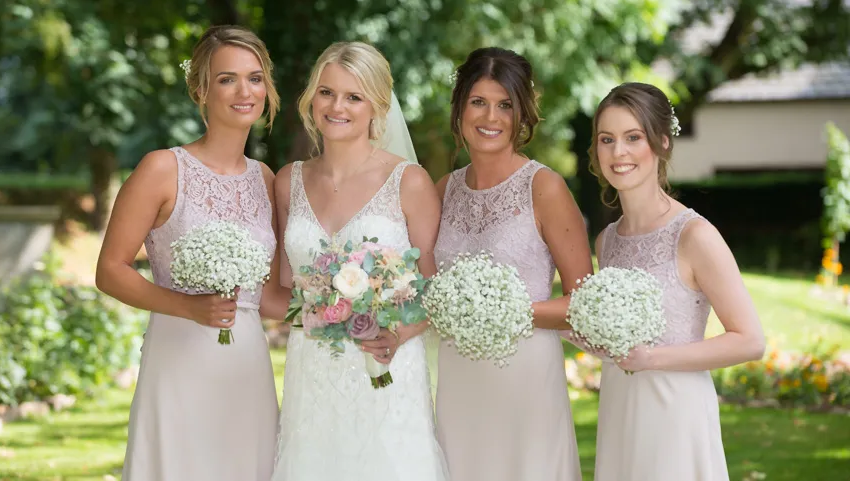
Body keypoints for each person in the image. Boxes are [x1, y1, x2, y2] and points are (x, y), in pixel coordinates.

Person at [95, 25, 281, 481]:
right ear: (200, 89)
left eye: (255, 78)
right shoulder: (162, 168)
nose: (245, 91)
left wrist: (339, 309)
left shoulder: (267, 180)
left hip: (247, 364)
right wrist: (187, 306)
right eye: (227, 79)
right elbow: (110, 270)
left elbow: (271, 295)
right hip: (179, 358)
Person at [270, 41, 448, 481]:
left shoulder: (408, 181)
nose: (337, 106)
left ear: (377, 106)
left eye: (354, 96)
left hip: (385, 363)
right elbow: (281, 291)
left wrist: (396, 332)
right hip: (312, 369)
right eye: (327, 92)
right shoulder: (288, 181)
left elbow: (436, 287)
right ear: (312, 98)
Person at [589, 82, 765, 481]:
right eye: (607, 139)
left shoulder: (694, 235)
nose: (619, 153)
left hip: (675, 413)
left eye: (634, 138)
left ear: (662, 143)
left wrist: (651, 359)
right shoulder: (607, 241)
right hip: (620, 406)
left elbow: (750, 340)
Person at [433, 47, 593, 481]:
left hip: (524, 379)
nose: (491, 117)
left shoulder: (544, 187)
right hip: (458, 379)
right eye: (479, 102)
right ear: (460, 107)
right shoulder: (443, 190)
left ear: (522, 114)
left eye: (505, 105)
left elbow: (584, 304)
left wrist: (506, 311)